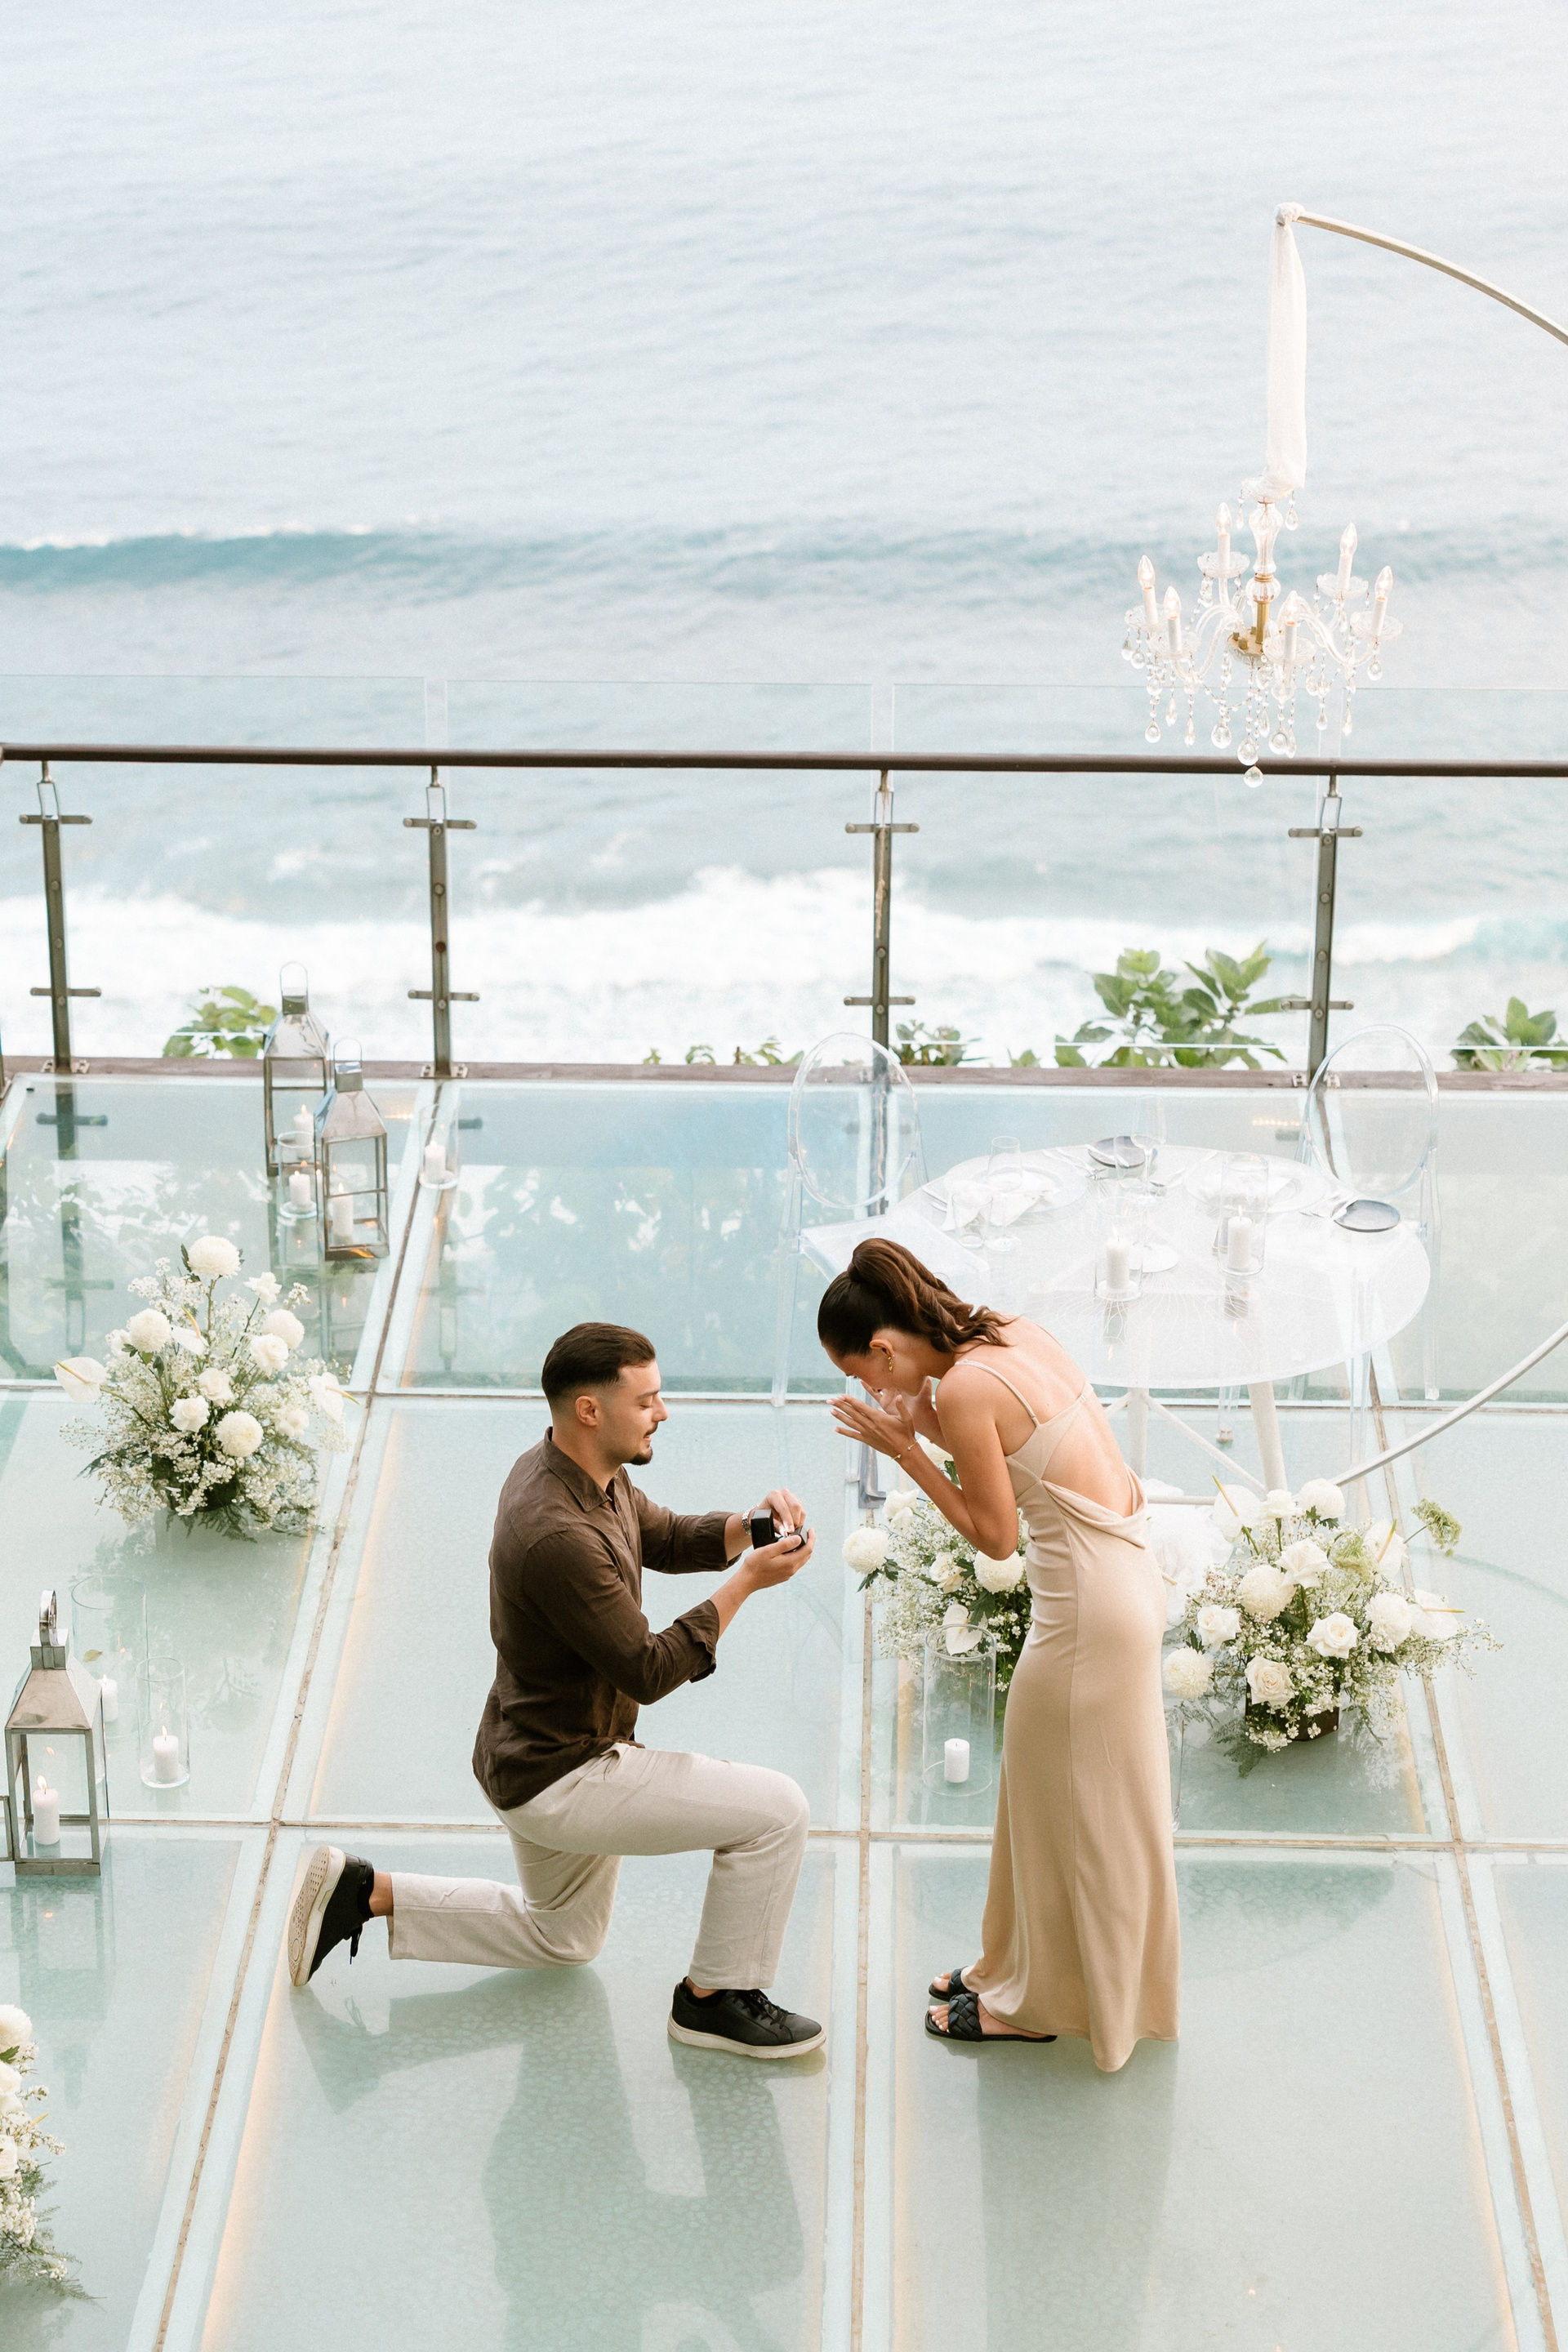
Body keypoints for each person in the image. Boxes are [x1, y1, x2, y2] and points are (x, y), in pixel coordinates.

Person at [287, 1320, 825, 2058]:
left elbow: (663, 1536)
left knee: (565, 1937)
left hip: (525, 1753)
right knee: (778, 1811)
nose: (663, 1412)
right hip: (569, 1774)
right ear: (589, 1410)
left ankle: (365, 1892)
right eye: (647, 1401)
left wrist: (751, 1527)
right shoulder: (556, 1534)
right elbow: (647, 1670)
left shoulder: (577, 1470)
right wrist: (746, 1585)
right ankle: (716, 2000)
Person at [820, 1238, 1178, 2070]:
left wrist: (905, 1450)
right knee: (1050, 1799)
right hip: (1122, 1577)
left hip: (1085, 1616)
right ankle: (1015, 1968)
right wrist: (918, 1418)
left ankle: (1037, 2006)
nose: (869, 1390)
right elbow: (1007, 1442)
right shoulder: (1009, 1335)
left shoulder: (966, 1387)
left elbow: (996, 1538)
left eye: (863, 1373)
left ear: (885, 1349)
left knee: (1073, 1815)